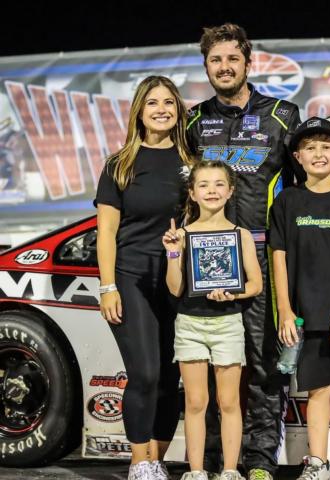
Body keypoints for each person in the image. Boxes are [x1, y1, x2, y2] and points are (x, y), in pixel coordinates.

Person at [187, 23, 305, 480]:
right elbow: (182, 192)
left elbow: (301, 192)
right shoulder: (193, 121)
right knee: (214, 364)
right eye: (215, 60)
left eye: (232, 58)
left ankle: (257, 462)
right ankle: (216, 462)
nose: (224, 67)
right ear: (206, 66)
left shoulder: (282, 116)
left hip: (263, 258)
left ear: (248, 62)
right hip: (208, 259)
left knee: (262, 362)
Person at [95, 75, 192, 480]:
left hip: (178, 280)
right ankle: (139, 463)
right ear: (139, 110)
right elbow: (106, 233)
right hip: (130, 278)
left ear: (178, 109)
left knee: (172, 377)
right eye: (152, 103)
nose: (161, 109)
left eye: (168, 102)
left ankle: (156, 459)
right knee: (146, 373)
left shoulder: (192, 162)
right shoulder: (120, 164)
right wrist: (107, 286)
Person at [269, 117, 330, 480]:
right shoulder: (286, 201)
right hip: (304, 316)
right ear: (297, 156)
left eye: (326, 146)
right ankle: (317, 463)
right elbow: (277, 256)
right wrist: (284, 310)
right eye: (310, 147)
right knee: (317, 391)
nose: (318, 153)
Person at [162, 160, 263, 480]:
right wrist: (173, 254)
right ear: (192, 193)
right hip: (190, 324)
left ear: (231, 191)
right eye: (204, 185)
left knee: (229, 400)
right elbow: (176, 287)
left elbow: (255, 284)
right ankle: (196, 471)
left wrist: (233, 294)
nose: (212, 191)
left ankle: (231, 470)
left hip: (228, 323)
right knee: (195, 401)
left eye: (219, 184)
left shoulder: (240, 235)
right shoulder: (182, 235)